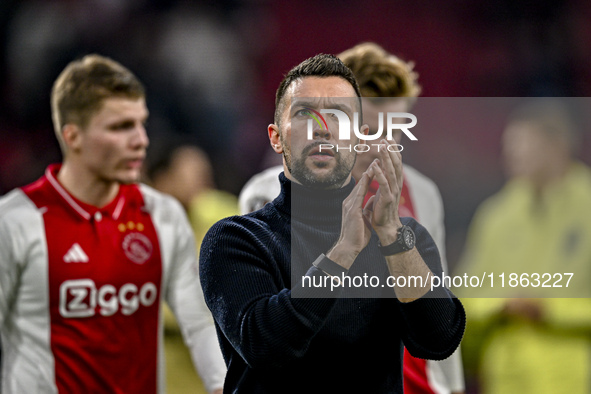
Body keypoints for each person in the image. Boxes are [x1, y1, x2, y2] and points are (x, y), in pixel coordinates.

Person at [200, 53, 465, 393]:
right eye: (303, 113)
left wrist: (390, 235)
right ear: (276, 137)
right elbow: (265, 345)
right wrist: (344, 250)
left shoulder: (402, 237)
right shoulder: (236, 239)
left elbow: (438, 340)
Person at [0, 54, 225, 393]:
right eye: (120, 127)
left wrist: (221, 385)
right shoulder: (16, 220)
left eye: (141, 123)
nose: (141, 140)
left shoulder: (162, 215)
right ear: (73, 136)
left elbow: (198, 322)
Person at [338, 42, 466, 394]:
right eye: (367, 129)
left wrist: (451, 385)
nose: (380, 144)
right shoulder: (279, 191)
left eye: (392, 130)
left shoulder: (422, 192)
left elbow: (438, 291)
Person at [455, 98, 591, 393]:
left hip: (573, 376)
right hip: (506, 376)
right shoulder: (495, 216)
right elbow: (465, 299)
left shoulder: (586, 208)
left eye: (522, 144)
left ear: (557, 145)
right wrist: (500, 305)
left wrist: (550, 311)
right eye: (508, 145)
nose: (510, 154)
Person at [145, 140, 237, 394]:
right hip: (166, 360)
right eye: (191, 173)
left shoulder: (221, 211)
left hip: (220, 353)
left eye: (204, 173)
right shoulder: (138, 229)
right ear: (162, 180)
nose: (202, 180)